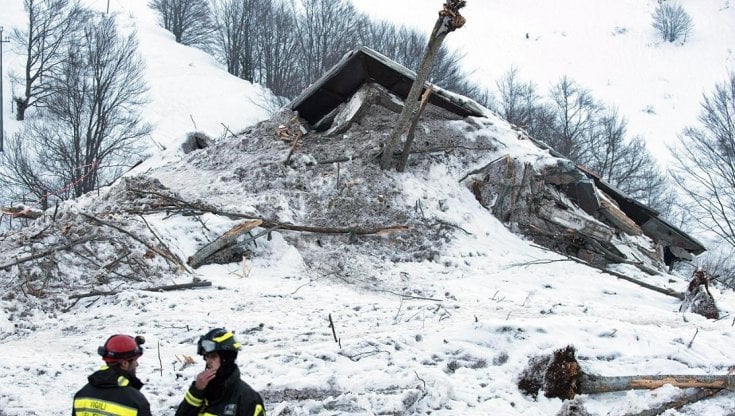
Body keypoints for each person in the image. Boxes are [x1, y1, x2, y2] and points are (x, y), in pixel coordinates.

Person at [176, 328, 265, 416]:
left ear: (226, 359)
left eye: (213, 356)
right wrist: (196, 391)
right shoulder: (202, 391)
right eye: (206, 356)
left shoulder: (247, 399)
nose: (208, 361)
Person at [73, 334, 151, 416]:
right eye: (135, 360)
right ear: (124, 363)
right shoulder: (136, 402)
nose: (137, 364)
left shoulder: (81, 395)